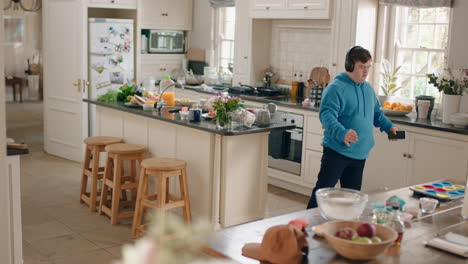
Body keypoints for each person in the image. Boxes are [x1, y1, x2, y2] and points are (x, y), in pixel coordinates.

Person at [307, 46, 398, 209]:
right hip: (337, 151)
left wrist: (389, 127)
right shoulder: (335, 88)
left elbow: (377, 114)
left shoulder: (369, 89)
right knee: (322, 193)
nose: (365, 72)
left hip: (360, 153)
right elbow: (326, 116)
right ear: (350, 65)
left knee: (352, 198)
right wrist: (342, 133)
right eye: (361, 67)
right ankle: (306, 227)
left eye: (368, 67)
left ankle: (344, 228)